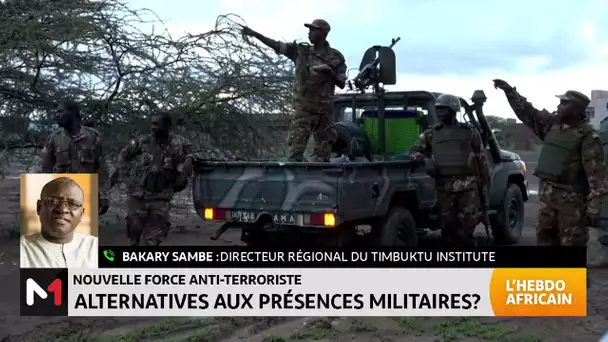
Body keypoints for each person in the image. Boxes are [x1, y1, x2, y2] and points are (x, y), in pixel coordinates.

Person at [494, 79, 608, 250]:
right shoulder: (552, 126)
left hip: (572, 207)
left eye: (564, 103)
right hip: (547, 202)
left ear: (576, 110)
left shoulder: (587, 137)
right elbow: (527, 111)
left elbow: (598, 177)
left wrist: (594, 209)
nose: (559, 106)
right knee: (545, 243)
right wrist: (510, 92)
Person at [241, 19, 347, 162]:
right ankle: (297, 180)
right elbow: (277, 45)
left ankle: (319, 181)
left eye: (313, 30)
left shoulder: (336, 57)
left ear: (323, 33)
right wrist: (255, 34)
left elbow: (341, 83)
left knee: (323, 155)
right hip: (304, 110)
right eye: (309, 30)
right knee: (295, 152)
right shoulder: (300, 52)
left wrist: (330, 73)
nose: (309, 33)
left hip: (324, 113)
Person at [409, 94, 491, 246]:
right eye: (438, 110)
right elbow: (414, 151)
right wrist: (425, 160)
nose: (439, 113)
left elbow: (482, 158)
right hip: (444, 187)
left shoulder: (469, 132)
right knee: (447, 227)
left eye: (443, 110)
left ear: (453, 110)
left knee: (467, 226)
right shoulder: (431, 133)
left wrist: (485, 184)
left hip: (468, 188)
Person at [115, 111, 192, 246]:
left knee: (153, 239)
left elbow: (200, 154)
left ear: (167, 125)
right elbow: (124, 155)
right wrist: (126, 177)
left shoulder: (180, 143)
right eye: (152, 124)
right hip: (138, 195)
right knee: (134, 231)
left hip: (160, 197)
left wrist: (190, 160)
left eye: (157, 124)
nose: (153, 127)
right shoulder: (143, 141)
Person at [41, 99, 110, 215]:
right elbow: (46, 170)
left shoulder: (92, 136)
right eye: (56, 112)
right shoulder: (54, 138)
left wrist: (103, 195)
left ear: (72, 113)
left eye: (60, 112)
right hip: (62, 197)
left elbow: (101, 168)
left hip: (86, 195)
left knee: (85, 231)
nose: (57, 115)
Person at [20, 177, 98, 268]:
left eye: (73, 204)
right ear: (39, 207)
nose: (62, 209)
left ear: (81, 214)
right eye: (53, 201)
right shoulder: (20, 250)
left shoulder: (96, 247)